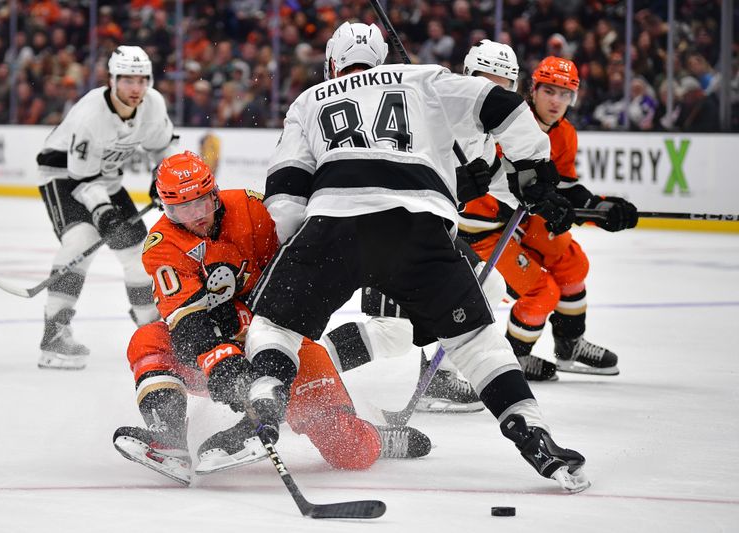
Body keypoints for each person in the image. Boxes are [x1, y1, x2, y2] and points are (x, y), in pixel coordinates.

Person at [243, 22, 589, 492]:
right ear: (383, 60)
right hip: (418, 230)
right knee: (476, 343)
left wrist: (293, 255)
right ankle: (533, 435)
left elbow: (285, 191)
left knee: (274, 325)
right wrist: (536, 167)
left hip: (335, 226)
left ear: (331, 64)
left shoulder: (310, 99)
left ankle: (265, 396)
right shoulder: (422, 79)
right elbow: (502, 107)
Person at [112, 151, 431, 486]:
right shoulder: (162, 246)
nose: (195, 215)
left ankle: (377, 439)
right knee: (149, 339)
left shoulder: (255, 210)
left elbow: (303, 274)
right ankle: (169, 439)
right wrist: (226, 367)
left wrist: (253, 333)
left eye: (201, 202)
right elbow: (189, 327)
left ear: (214, 193)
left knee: (348, 449)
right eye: (180, 209)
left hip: (279, 340)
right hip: (217, 353)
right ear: (167, 209)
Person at [470, 56, 636, 379]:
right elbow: (519, 187)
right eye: (549, 91)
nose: (557, 101)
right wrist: (556, 204)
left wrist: (602, 208)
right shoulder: (509, 122)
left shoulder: (566, 134)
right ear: (533, 90)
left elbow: (565, 187)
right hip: (487, 227)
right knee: (542, 291)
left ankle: (570, 345)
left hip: (521, 220)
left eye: (566, 94)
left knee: (572, 262)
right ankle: (514, 359)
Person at [36, 45, 177, 370]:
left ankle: (153, 331)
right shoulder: (90, 116)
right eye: (127, 80)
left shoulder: (152, 104)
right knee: (80, 242)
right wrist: (103, 212)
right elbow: (83, 181)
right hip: (64, 177)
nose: (135, 88)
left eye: (142, 80)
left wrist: (164, 176)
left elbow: (165, 145)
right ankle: (54, 334)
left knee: (140, 255)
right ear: (112, 80)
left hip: (107, 180)